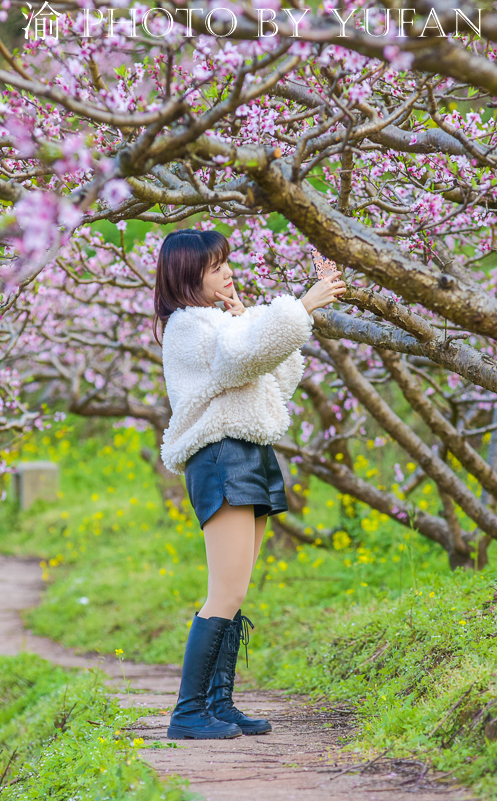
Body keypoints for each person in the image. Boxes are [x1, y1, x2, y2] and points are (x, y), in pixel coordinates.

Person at [153, 229, 345, 740]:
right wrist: (299, 307)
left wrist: (248, 320)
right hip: (220, 456)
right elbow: (241, 359)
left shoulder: (217, 323)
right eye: (215, 267)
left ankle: (219, 704)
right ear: (188, 276)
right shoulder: (187, 325)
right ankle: (188, 713)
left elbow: (273, 378)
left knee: (236, 592)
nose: (228, 272)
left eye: (226, 262)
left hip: (248, 452)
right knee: (227, 590)